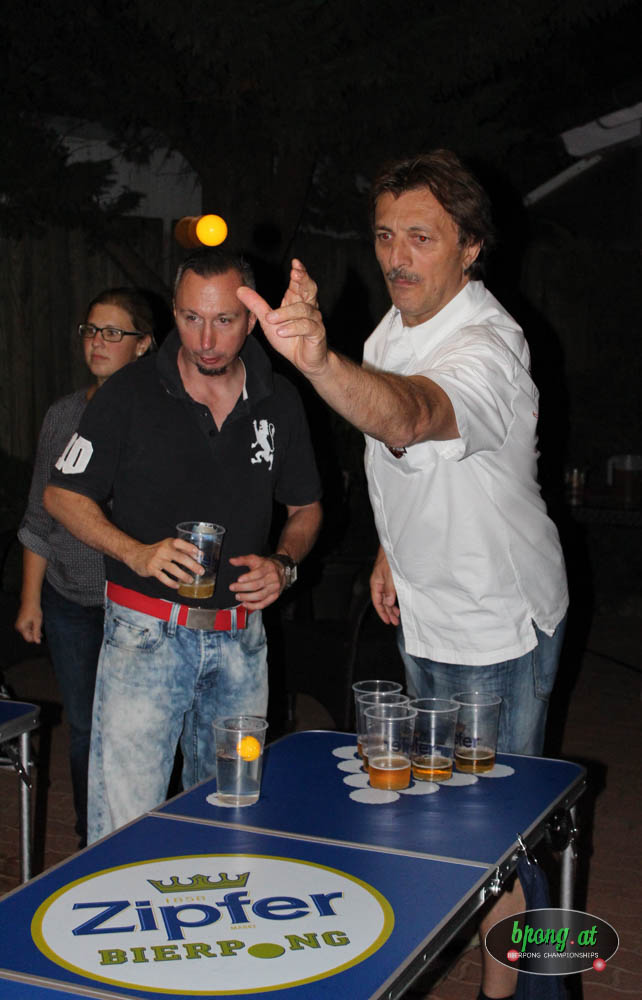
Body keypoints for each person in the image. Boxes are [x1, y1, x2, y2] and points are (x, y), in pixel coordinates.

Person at [237, 150, 568, 1000]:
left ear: (471, 247)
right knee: (447, 810)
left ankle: (528, 992)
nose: (397, 256)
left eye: (422, 237)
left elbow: (413, 416)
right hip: (426, 607)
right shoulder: (392, 330)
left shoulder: (488, 347)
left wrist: (318, 362)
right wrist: (391, 548)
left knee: (498, 829)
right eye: (385, 235)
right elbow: (399, 463)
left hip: (497, 623)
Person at [44, 247, 322, 844]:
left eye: (224, 320)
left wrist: (283, 564)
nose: (207, 339)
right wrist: (137, 553)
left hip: (241, 643)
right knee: (124, 829)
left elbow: (306, 508)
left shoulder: (280, 399)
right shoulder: (129, 392)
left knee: (232, 820)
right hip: (144, 637)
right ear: (174, 312)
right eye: (192, 318)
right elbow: (62, 496)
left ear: (251, 319)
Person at [15, 288, 154, 844]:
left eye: (113, 332)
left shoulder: (159, 416)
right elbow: (38, 513)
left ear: (143, 345)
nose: (98, 342)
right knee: (85, 728)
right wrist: (30, 599)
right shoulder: (64, 415)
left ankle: (144, 832)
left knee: (140, 728)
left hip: (138, 602)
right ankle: (90, 839)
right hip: (70, 600)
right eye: (91, 331)